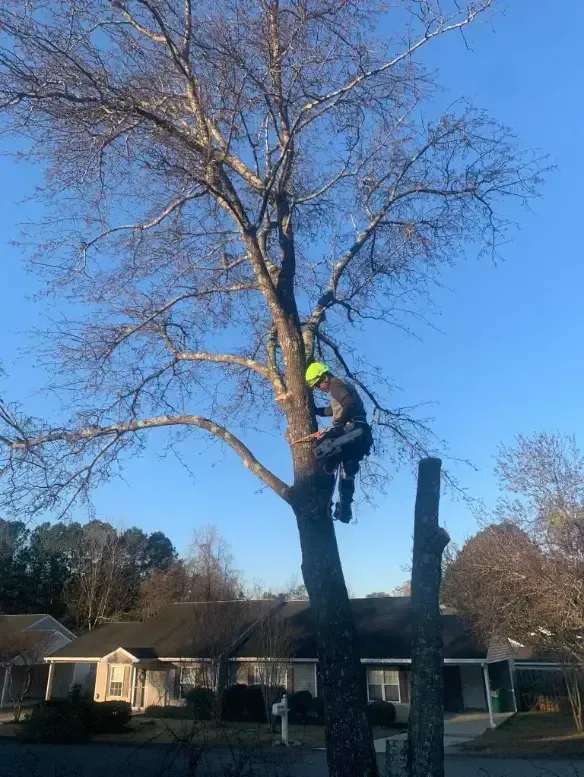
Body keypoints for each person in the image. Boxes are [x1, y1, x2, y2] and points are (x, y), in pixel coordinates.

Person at [305, 362, 373, 523]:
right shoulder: (339, 386)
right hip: (361, 436)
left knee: (319, 450)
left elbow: (348, 404)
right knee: (347, 472)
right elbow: (331, 410)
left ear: (324, 376)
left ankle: (321, 499)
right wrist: (315, 410)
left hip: (351, 429)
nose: (319, 388)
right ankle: (345, 508)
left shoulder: (335, 383)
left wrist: (339, 425)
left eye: (318, 384)